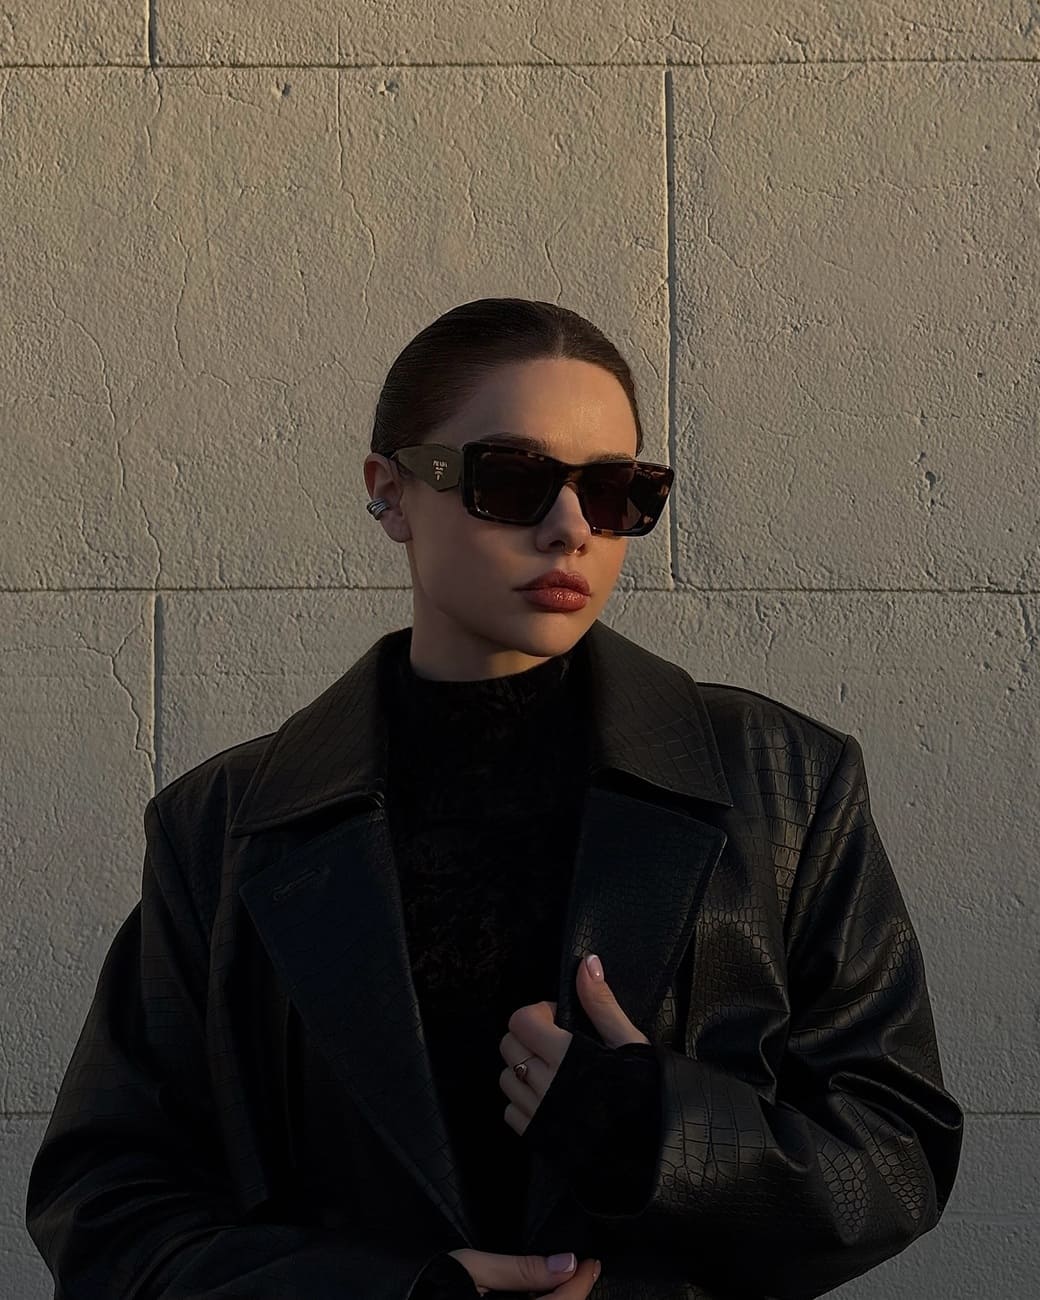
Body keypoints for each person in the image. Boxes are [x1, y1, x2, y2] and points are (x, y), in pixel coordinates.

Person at [25, 298, 964, 1299]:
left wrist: (662, 1134)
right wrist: (398, 1293)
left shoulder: (781, 783)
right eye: (511, 480)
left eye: (614, 490)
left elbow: (894, 1153)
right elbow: (106, 1206)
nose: (570, 529)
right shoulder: (222, 825)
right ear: (390, 492)